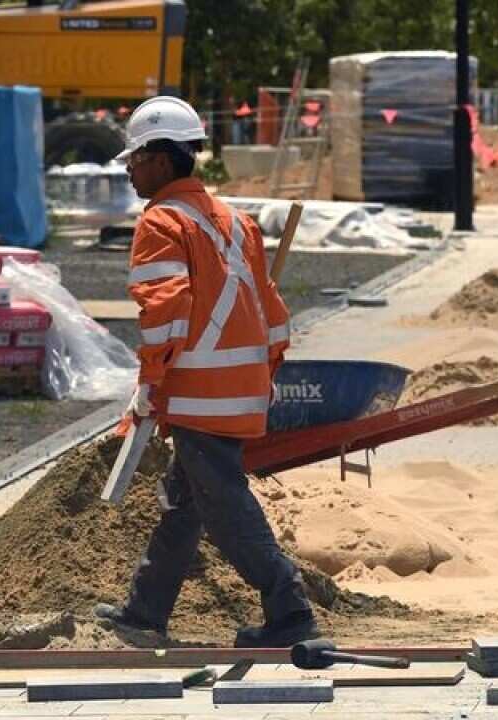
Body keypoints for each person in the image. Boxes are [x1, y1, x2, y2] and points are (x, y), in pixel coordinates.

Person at [94, 96, 321, 648]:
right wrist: (258, 377)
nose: (129, 169)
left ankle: (289, 611)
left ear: (163, 159)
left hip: (200, 393)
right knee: (185, 503)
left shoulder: (161, 222)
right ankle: (145, 613)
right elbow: (272, 312)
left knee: (223, 505)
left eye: (135, 158)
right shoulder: (235, 220)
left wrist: (150, 386)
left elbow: (164, 313)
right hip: (240, 388)